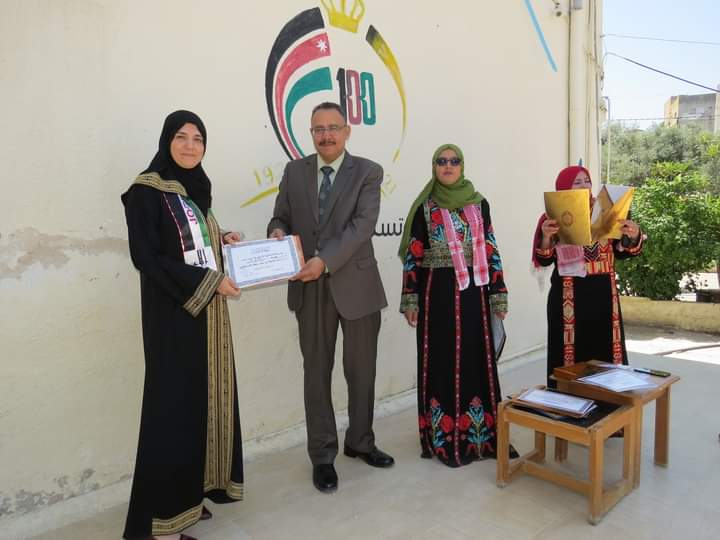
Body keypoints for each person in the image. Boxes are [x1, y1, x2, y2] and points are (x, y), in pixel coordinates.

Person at [121, 110, 244, 540]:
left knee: (200, 406)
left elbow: (187, 246)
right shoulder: (146, 191)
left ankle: (189, 497)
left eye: (198, 138)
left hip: (206, 318)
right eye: (181, 137)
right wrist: (208, 282)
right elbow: (147, 256)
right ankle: (162, 526)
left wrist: (222, 240)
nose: (191, 145)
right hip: (173, 317)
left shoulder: (194, 189)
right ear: (166, 141)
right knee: (172, 412)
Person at [267, 102, 393, 493]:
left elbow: (362, 226)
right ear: (311, 133)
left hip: (357, 286)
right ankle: (322, 456)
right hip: (310, 287)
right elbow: (280, 216)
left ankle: (361, 442)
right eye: (318, 129)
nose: (326, 136)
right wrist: (276, 233)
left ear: (347, 131)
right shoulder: (294, 171)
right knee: (316, 374)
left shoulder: (368, 172)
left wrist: (324, 261)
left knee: (362, 371)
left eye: (333, 128)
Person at [398, 144, 513, 466]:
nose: (447, 166)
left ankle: (480, 438)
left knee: (477, 358)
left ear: (462, 166)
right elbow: (413, 254)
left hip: (475, 296)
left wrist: (498, 293)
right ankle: (442, 440)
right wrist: (410, 298)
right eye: (441, 161)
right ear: (434, 166)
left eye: (454, 161)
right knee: (441, 361)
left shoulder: (479, 203)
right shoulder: (424, 206)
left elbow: (490, 247)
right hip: (437, 297)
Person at [533, 165, 643, 384]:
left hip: (603, 296)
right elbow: (544, 258)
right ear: (564, 186)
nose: (584, 185)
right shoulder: (552, 217)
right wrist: (546, 236)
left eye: (587, 181)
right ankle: (569, 399)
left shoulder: (608, 211)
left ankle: (608, 399)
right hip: (567, 296)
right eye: (577, 182)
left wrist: (633, 234)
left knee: (605, 350)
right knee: (570, 356)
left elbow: (622, 251)